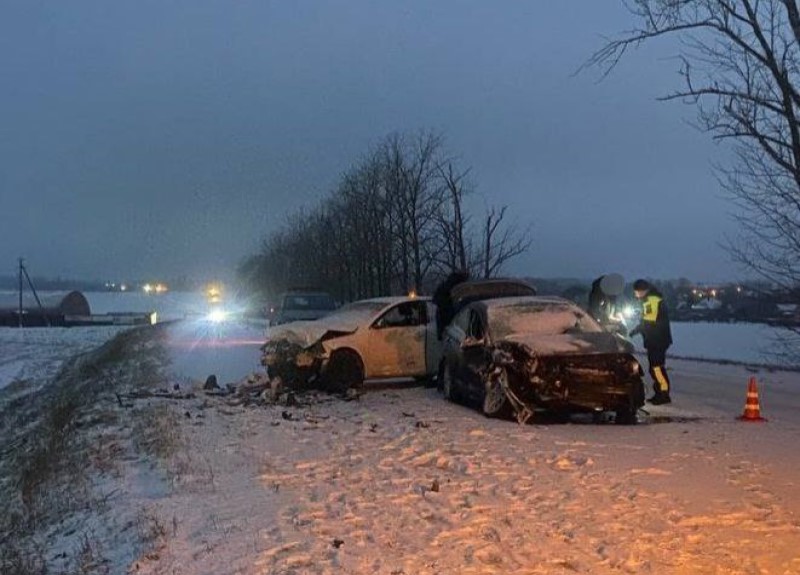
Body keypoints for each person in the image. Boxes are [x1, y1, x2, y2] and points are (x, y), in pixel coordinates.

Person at [629, 279, 673, 405]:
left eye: (636, 292)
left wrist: (635, 331)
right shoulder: (651, 299)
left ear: (642, 290)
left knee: (657, 368)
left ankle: (663, 393)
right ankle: (660, 392)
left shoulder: (651, 300)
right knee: (655, 368)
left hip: (657, 340)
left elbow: (648, 321)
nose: (636, 295)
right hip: (656, 339)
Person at [432, 270, 469, 339]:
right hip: (450, 320)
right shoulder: (455, 288)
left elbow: (435, 300)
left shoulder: (445, 286)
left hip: (448, 321)